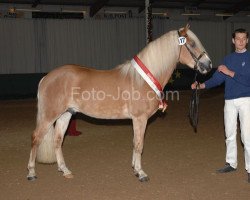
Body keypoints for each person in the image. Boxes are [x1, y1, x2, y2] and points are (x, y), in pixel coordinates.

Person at [191, 28, 250, 183]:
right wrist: (201, 85)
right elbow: (217, 79)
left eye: (244, 38)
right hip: (229, 101)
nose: (241, 41)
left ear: (247, 40)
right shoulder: (227, 59)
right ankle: (231, 163)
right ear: (233, 41)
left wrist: (231, 73)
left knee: (247, 136)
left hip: (246, 100)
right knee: (229, 133)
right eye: (238, 39)